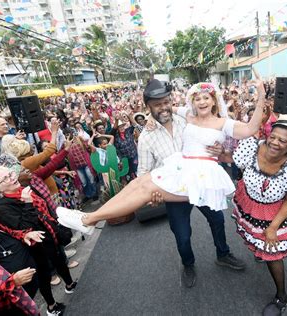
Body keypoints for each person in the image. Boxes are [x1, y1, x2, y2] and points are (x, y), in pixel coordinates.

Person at [57, 78, 266, 267]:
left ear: (213, 100)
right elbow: (143, 171)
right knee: (142, 189)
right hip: (176, 177)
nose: (164, 107)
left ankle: (223, 254)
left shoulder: (192, 118)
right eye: (157, 105)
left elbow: (248, 130)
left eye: (166, 102)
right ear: (149, 107)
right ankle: (90, 219)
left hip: (202, 180)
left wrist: (261, 97)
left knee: (217, 222)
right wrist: (153, 198)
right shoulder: (151, 133)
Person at [231, 115, 287, 314]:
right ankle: (261, 253)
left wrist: (273, 228)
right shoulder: (252, 147)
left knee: (272, 254)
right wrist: (221, 153)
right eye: (273, 137)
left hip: (277, 212)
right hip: (251, 204)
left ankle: (282, 297)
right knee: (259, 244)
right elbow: (236, 161)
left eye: (282, 140)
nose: (275, 142)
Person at [0, 166, 77, 315]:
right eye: (4, 179)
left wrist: (55, 223)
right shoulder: (2, 207)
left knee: (60, 260)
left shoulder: (24, 188)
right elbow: (26, 228)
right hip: (35, 247)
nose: (12, 178)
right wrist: (27, 203)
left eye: (10, 174)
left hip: (49, 235)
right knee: (44, 275)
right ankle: (52, 306)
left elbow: (45, 206)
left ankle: (70, 285)